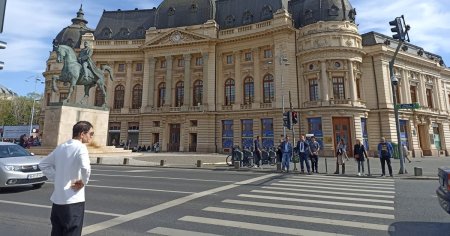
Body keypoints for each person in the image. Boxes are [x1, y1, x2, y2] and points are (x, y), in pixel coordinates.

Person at [39, 121, 93, 236]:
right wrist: (83, 182)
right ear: (82, 134)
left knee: (57, 232)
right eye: (91, 134)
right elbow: (86, 168)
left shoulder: (61, 147)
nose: (91, 137)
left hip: (57, 202)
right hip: (73, 201)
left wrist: (56, 177)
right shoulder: (81, 147)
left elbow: (43, 164)